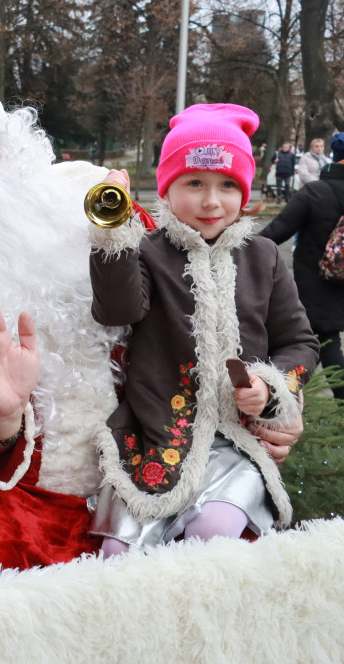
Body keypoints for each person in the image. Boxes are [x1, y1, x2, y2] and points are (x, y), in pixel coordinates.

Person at [0, 81, 305, 572]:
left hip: (159, 453)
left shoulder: (99, 208)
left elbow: (213, 318)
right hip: (21, 493)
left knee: (223, 559)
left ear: (9, 145)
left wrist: (273, 405)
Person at [85, 104, 319, 556]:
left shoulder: (264, 256)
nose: (212, 202)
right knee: (118, 553)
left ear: (244, 192)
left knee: (213, 530)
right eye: (195, 183)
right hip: (156, 436)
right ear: (167, 190)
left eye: (227, 185)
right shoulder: (149, 251)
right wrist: (115, 234)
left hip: (238, 437)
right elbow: (117, 309)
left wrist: (270, 390)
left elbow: (300, 343)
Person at [259, 131, 344, 402]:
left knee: (324, 342)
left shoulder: (314, 191)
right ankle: (292, 399)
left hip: (314, 281)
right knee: (319, 339)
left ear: (335, 157)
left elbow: (279, 230)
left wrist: (240, 245)